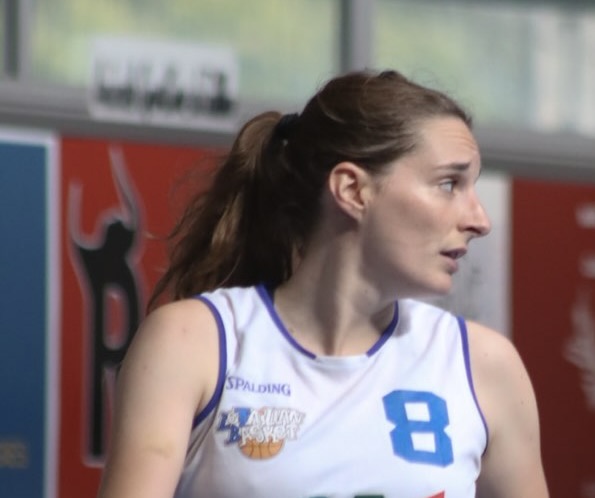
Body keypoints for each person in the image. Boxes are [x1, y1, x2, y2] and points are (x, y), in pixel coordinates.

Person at [97, 69, 548, 498]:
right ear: (352, 190)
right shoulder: (193, 342)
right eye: (449, 184)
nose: (479, 220)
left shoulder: (485, 366)